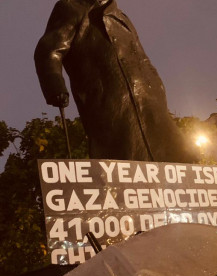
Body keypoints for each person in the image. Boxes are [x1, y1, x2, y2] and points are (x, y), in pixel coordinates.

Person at [35, 0, 197, 163]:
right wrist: (55, 85)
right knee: (124, 160)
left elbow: (142, 58)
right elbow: (49, 50)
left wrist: (157, 86)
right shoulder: (70, 8)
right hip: (110, 102)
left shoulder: (122, 17)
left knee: (177, 156)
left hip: (150, 101)